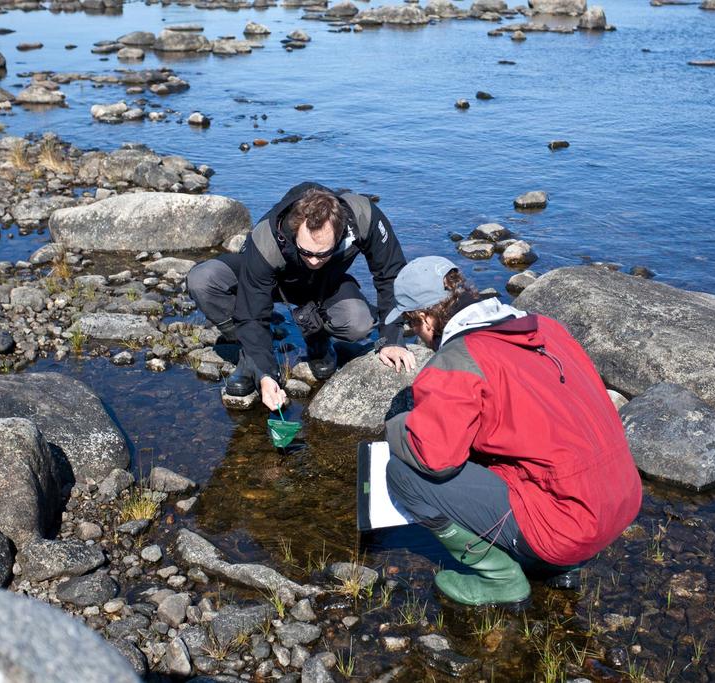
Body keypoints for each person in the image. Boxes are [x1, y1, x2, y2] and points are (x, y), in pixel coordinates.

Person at [383, 256, 642, 606]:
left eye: (413, 325)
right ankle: (559, 566)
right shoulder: (546, 328)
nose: (417, 335)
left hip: (567, 527)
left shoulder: (458, 359)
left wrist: (397, 425)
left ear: (427, 317)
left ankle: (500, 578)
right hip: (621, 501)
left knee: (402, 473)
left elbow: (435, 458)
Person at [187, 183, 417, 411]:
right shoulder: (267, 237)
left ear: (340, 232)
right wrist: (266, 374)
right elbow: (252, 312)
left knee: (358, 322)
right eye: (306, 252)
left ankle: (318, 338)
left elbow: (392, 275)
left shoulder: (363, 217)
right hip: (276, 283)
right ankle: (249, 356)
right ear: (295, 229)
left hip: (327, 285)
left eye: (323, 253)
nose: (314, 260)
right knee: (203, 280)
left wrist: (392, 338)